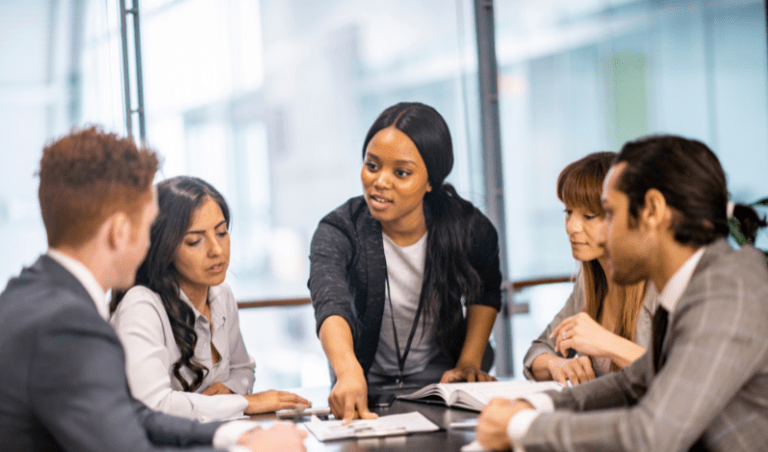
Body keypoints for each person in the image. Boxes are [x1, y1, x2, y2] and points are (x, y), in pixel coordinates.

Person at [0, 126, 307, 452]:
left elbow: (130, 414)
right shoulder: (68, 325)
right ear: (119, 232)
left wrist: (233, 436)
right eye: (148, 227)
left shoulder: (32, 293)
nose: (153, 244)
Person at [477, 135, 768, 451]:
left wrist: (522, 428)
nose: (603, 234)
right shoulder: (692, 285)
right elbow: (630, 383)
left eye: (609, 214)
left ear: (653, 210)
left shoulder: (728, 291)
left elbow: (651, 435)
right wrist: (536, 407)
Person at [309, 102, 502, 422]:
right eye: (372, 166)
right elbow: (331, 302)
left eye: (401, 172)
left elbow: (486, 292)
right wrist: (346, 371)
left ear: (431, 181)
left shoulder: (469, 226)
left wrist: (469, 363)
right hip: (365, 382)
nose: (380, 182)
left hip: (443, 383)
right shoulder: (340, 229)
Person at [110, 176, 310, 421]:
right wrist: (243, 403)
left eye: (222, 232)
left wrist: (230, 391)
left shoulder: (221, 293)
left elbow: (242, 369)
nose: (217, 250)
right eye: (195, 240)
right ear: (165, 248)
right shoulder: (141, 305)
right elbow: (153, 404)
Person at [523, 152, 655, 386]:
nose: (571, 227)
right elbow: (539, 351)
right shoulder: (588, 281)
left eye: (589, 215)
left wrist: (605, 342)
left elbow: (681, 376)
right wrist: (558, 364)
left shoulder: (658, 285)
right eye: (569, 212)